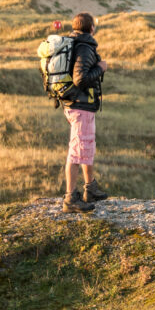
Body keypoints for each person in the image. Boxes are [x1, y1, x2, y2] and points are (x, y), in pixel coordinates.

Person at [62, 12, 109, 213]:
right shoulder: (85, 47)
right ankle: (70, 198)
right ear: (91, 28)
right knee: (76, 151)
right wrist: (100, 68)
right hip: (81, 106)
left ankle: (90, 188)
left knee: (85, 146)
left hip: (77, 104)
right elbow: (80, 79)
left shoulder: (74, 44)